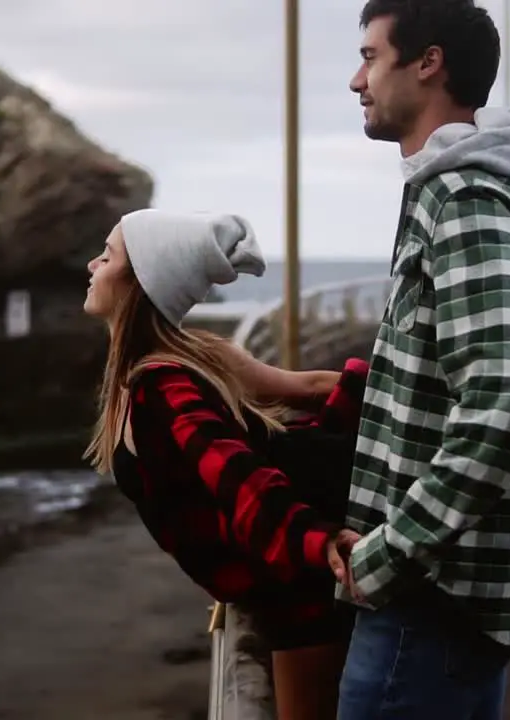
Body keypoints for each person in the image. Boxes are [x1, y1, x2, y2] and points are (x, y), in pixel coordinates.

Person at [333, 1, 510, 718]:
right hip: (440, 605)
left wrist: (384, 554)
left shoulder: (466, 196)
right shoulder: (463, 189)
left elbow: (505, 397)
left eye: (370, 55)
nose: (354, 79)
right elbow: (438, 381)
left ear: (427, 62)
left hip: (429, 603)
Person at [81, 207, 366, 720]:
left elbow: (237, 476)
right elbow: (308, 390)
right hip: (285, 573)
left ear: (142, 281)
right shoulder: (176, 362)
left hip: (300, 584)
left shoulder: (162, 387)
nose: (92, 264)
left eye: (107, 255)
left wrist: (315, 538)